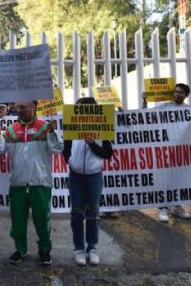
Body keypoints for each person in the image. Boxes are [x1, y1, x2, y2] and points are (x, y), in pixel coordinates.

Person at [0, 100, 62, 266]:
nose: (18, 109)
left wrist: (52, 133)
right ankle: (20, 249)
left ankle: (45, 250)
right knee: (18, 221)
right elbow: (0, 150)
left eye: (23, 107)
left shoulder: (46, 127)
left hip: (40, 183)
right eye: (17, 107)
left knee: (42, 221)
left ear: (34, 107)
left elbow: (57, 149)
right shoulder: (11, 129)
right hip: (18, 183)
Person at [63, 97, 113, 266]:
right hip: (76, 176)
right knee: (76, 213)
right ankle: (78, 249)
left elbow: (107, 153)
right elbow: (66, 149)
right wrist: (70, 162)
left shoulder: (102, 129)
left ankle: (92, 248)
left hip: (94, 176)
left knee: (93, 212)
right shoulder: (72, 127)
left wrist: (92, 144)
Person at [142, 83, 191, 222]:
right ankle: (163, 209)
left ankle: (177, 207)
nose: (177, 94)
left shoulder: (190, 110)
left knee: (179, 178)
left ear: (186, 95)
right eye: (176, 92)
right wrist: (144, 102)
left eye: (180, 92)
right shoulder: (166, 107)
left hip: (181, 151)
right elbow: (146, 115)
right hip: (166, 149)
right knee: (165, 178)